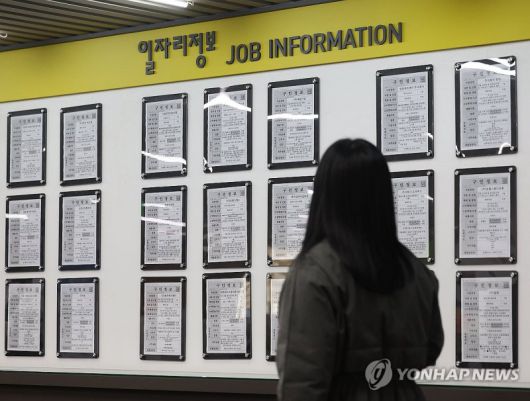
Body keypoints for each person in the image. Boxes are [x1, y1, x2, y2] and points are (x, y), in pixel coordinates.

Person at [276, 138, 443, 401]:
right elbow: (431, 349)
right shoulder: (415, 270)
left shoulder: (315, 272)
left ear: (324, 195)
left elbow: (301, 379)